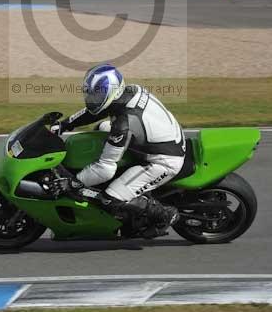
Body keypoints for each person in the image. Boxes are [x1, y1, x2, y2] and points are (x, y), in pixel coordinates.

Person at [50, 63, 185, 238]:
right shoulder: (128, 91)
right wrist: (66, 124)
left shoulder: (124, 124)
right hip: (163, 139)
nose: (92, 98)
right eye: (90, 93)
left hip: (164, 159)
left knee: (110, 198)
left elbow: (105, 169)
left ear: (110, 92)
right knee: (101, 126)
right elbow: (96, 111)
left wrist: (74, 183)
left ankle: (164, 213)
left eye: (97, 94)